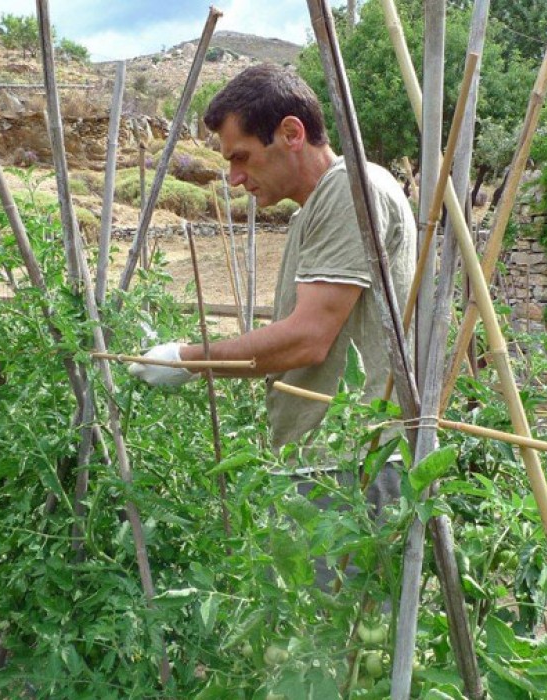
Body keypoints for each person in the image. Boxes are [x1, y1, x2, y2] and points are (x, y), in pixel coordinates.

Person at [130, 64, 416, 459]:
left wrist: (188, 360)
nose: (233, 177)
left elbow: (309, 338)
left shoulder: (350, 190)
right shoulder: (315, 207)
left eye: (241, 157)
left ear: (291, 134)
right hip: (329, 463)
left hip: (356, 463)